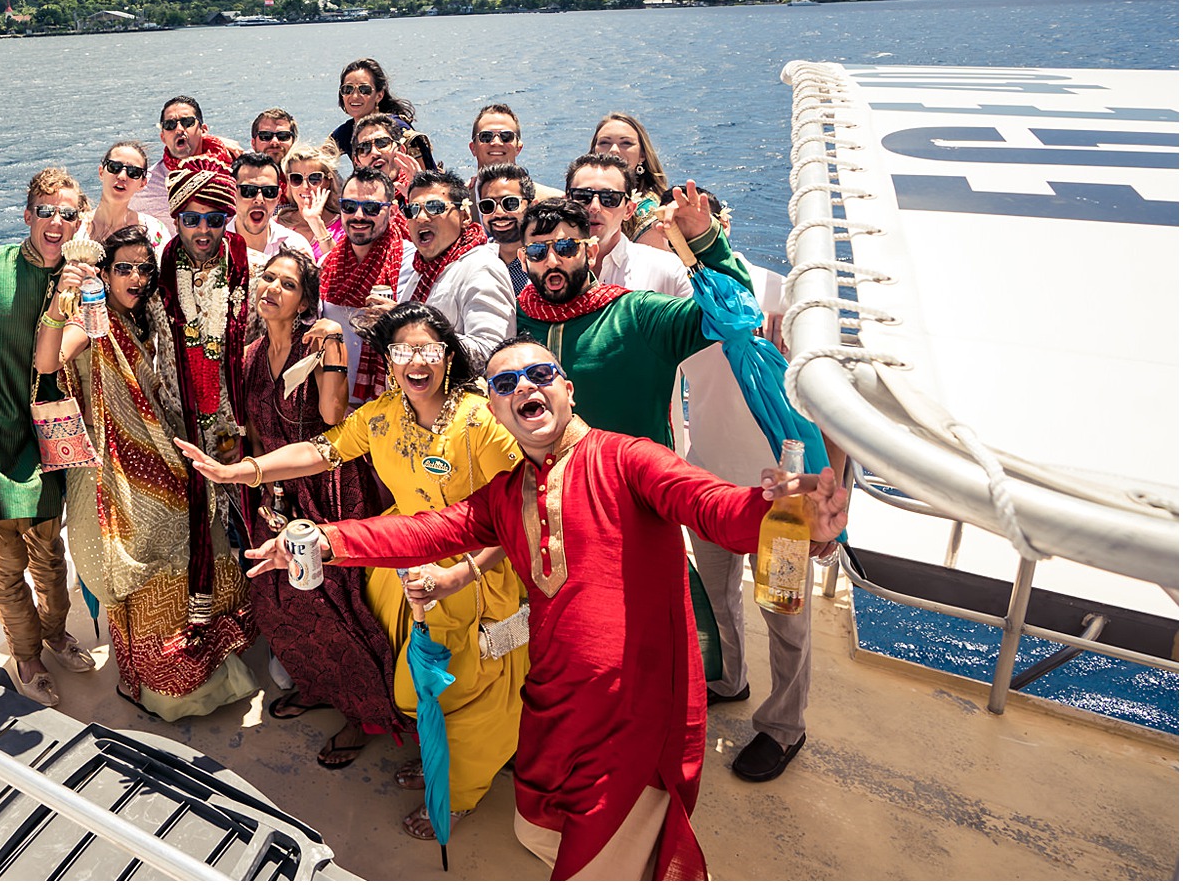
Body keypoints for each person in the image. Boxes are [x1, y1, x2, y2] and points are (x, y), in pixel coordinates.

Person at [242, 336, 848, 879]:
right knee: (538, 823)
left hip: (629, 706)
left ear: (567, 388)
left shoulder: (628, 459)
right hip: (552, 695)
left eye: (540, 374)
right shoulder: (506, 493)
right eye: (505, 384)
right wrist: (328, 540)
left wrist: (780, 512)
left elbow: (709, 502)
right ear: (496, 408)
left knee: (609, 849)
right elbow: (425, 531)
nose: (524, 387)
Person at [180, 304, 526, 842]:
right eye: (402, 350)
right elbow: (320, 451)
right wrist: (240, 471)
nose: (416, 362)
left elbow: (514, 518)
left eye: (428, 349)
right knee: (420, 682)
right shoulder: (383, 415)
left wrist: (461, 577)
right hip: (403, 566)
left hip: (479, 573)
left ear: (448, 355)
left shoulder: (482, 422)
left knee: (477, 692)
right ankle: (440, 756)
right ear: (387, 360)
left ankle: (459, 790)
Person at [36, 226, 258, 718]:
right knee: (139, 563)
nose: (135, 277)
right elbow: (49, 360)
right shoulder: (91, 317)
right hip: (110, 470)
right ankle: (158, 683)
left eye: (143, 269)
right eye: (123, 268)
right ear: (104, 273)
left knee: (184, 541)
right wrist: (62, 299)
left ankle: (196, 672)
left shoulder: (138, 321)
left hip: (152, 455)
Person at [670, 194, 835, 783]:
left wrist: (832, 498)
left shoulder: (780, 294)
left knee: (784, 617)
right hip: (710, 485)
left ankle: (785, 727)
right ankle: (728, 681)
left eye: (705, 219)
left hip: (783, 498)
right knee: (718, 601)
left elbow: (828, 404)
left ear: (723, 224)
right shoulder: (673, 300)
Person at [229, 249, 402, 768]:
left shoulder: (322, 344)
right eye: (269, 278)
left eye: (288, 283)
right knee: (280, 602)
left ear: (306, 299)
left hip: (326, 490)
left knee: (337, 607)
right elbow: (256, 428)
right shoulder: (252, 353)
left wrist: (332, 348)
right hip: (276, 492)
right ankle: (318, 685)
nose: (272, 288)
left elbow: (331, 413)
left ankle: (364, 716)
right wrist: (257, 490)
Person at [0, 167, 100, 707]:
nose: (55, 223)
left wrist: (74, 288)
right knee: (6, 561)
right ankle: (25, 653)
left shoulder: (85, 284)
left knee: (50, 553)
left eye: (68, 214)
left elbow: (71, 350)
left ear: (80, 222)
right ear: (26, 215)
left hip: (51, 437)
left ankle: (55, 632)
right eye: (45, 211)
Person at [512, 192, 750, 451]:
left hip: (630, 487)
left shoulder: (638, 315)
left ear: (590, 252)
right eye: (537, 251)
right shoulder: (513, 318)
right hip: (542, 486)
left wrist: (706, 242)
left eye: (566, 248)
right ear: (524, 260)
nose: (552, 261)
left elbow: (733, 315)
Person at [159, 157, 254, 464]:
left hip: (237, 429)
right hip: (177, 430)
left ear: (226, 220)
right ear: (176, 221)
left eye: (214, 220)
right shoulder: (155, 281)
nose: (203, 230)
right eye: (191, 219)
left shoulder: (257, 273)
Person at [394, 168, 518, 365]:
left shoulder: (482, 267)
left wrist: (405, 328)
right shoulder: (422, 270)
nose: (421, 218)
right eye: (412, 210)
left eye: (434, 207)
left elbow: (492, 353)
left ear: (465, 216)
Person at [317, 166, 406, 407]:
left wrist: (400, 317)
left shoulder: (409, 264)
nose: (358, 215)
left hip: (394, 404)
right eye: (349, 206)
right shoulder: (326, 265)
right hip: (336, 405)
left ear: (393, 211)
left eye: (371, 208)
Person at [565, 152, 692, 295]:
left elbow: (712, 315)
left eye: (609, 198)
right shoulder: (540, 270)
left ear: (629, 210)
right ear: (566, 203)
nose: (595, 207)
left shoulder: (667, 270)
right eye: (582, 197)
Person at [130, 96, 239, 227]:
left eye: (187, 122)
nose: (179, 129)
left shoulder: (235, 168)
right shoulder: (144, 187)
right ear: (163, 137)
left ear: (203, 130)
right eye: (170, 125)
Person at [589, 113, 672, 245]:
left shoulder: (650, 213)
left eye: (626, 143)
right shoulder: (582, 199)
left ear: (642, 155)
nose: (614, 150)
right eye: (604, 142)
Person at [82, 141, 172, 251]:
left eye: (134, 172)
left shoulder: (156, 231)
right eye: (114, 167)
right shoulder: (74, 227)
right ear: (101, 172)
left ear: (143, 183)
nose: (122, 176)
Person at [229, 151, 308, 272]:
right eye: (249, 191)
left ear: (278, 196)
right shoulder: (215, 246)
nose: (259, 200)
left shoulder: (296, 245)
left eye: (269, 191)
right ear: (232, 193)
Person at [469, 105, 563, 201]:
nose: (496, 142)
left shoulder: (554, 200)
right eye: (486, 136)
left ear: (518, 148)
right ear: (473, 148)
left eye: (506, 136)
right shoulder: (457, 201)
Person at [329, 57, 415, 156]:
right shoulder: (345, 133)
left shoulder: (398, 129)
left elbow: (424, 169)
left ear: (379, 95)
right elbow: (319, 159)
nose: (355, 96)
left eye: (364, 89)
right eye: (348, 89)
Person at [276, 141, 343, 261]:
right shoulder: (276, 224)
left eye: (314, 179)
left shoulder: (345, 227)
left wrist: (316, 223)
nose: (305, 186)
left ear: (327, 182)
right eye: (297, 179)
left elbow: (340, 269)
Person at [475, 162, 535, 296]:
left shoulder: (550, 260)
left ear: (531, 206)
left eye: (510, 203)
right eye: (488, 205)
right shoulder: (473, 262)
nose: (499, 213)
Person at [350, 114, 413, 196]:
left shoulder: (426, 192)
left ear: (401, 150)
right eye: (364, 147)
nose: (374, 152)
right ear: (357, 162)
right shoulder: (351, 202)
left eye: (382, 143)